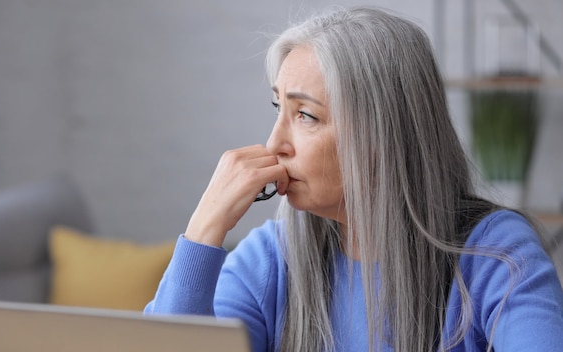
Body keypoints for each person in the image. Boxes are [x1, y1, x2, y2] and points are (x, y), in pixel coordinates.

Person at [144, 6, 563, 352]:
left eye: (305, 115)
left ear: (384, 133)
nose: (274, 143)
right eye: (278, 109)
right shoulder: (270, 260)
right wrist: (203, 231)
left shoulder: (494, 254)